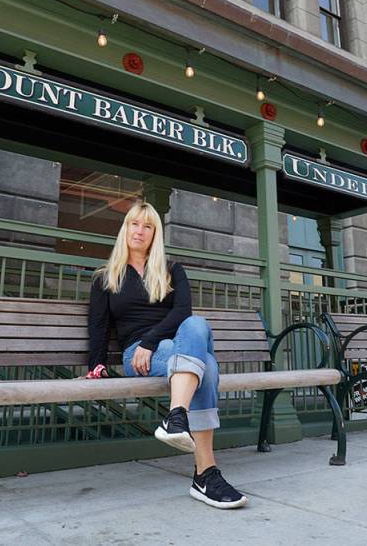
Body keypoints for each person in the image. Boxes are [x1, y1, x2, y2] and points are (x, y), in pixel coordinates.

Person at [85, 200, 248, 509]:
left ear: (155, 233)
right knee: (207, 366)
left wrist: (151, 338)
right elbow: (99, 325)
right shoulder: (105, 278)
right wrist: (98, 365)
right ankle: (205, 474)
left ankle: (177, 417)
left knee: (197, 325)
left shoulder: (172, 269)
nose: (140, 230)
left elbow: (183, 312)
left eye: (148, 226)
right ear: (125, 228)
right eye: (134, 223)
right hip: (139, 356)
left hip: (174, 346)